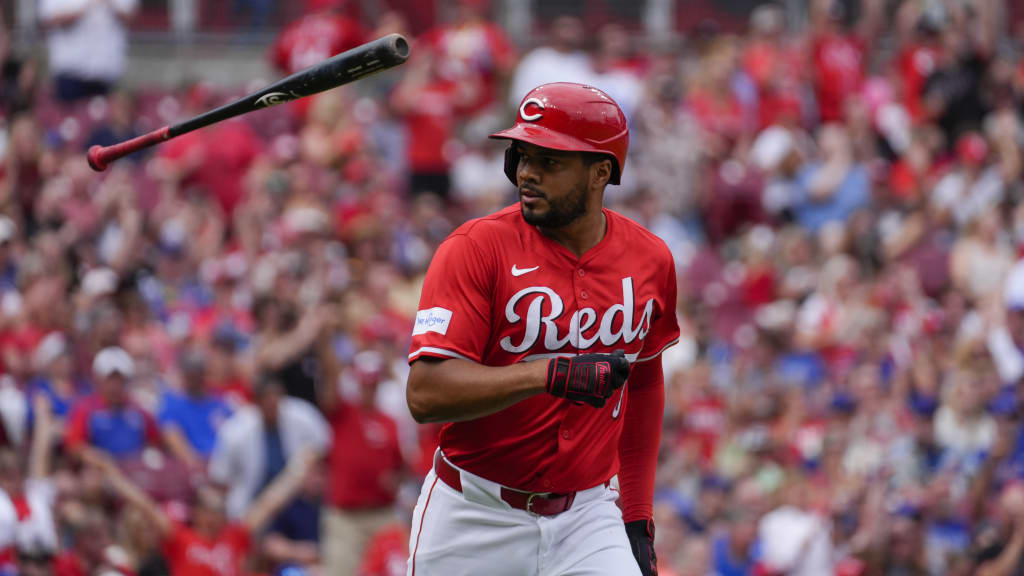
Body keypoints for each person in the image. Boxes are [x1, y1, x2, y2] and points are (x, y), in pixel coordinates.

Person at [405, 83, 679, 576]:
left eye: (549, 161)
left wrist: (636, 517)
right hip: (474, 516)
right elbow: (425, 394)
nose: (527, 173)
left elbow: (643, 384)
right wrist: (545, 374)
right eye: (522, 155)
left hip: (588, 518)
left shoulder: (650, 259)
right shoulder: (475, 248)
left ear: (602, 172)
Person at [90, 446, 317, 576]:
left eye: (220, 509)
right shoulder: (180, 537)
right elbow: (145, 505)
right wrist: (112, 474)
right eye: (211, 509)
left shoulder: (234, 535)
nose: (216, 515)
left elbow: (268, 505)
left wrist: (298, 471)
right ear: (198, 512)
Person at [318, 350, 404, 576]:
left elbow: (403, 467)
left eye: (373, 384)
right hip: (346, 516)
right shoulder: (343, 412)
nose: (369, 389)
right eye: (364, 384)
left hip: (382, 513)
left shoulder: (390, 422)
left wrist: (396, 479)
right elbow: (330, 377)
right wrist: (324, 340)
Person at [208, 376, 330, 520]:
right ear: (256, 402)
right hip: (254, 504)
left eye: (276, 399)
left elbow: (325, 447)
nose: (273, 405)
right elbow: (220, 476)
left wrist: (311, 471)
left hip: (300, 496)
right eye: (267, 401)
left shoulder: (303, 415)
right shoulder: (235, 431)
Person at [38, 0, 138, 103]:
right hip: (70, 70)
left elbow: (130, 18)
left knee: (104, 116)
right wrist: (85, 8)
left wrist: (109, 3)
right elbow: (49, 19)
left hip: (107, 71)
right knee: (69, 116)